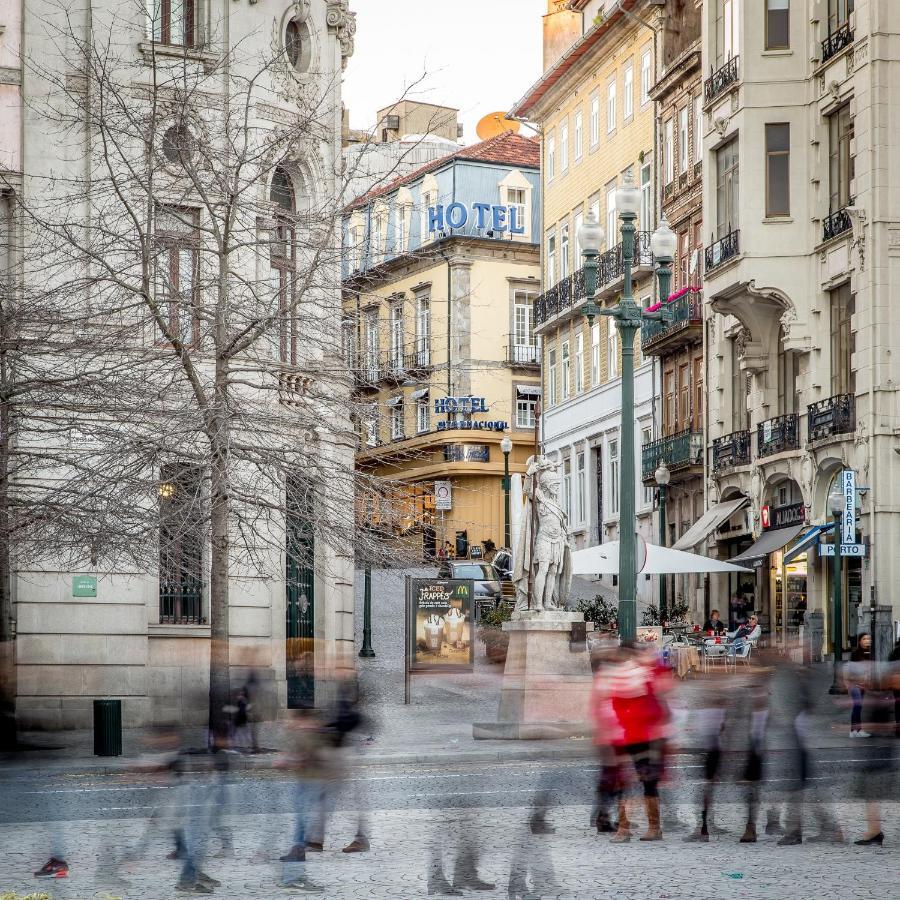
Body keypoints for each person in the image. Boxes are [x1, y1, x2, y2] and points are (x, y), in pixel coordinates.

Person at [591, 645, 673, 842]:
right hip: (632, 735)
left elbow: (657, 707)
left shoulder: (635, 676)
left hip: (638, 736)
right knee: (635, 781)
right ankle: (639, 827)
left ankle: (639, 828)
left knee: (639, 781)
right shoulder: (637, 676)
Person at [846, 634, 873, 738]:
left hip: (862, 684)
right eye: (864, 639)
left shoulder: (868, 652)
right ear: (859, 641)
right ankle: (853, 731)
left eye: (869, 638)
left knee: (858, 707)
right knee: (857, 707)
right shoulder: (856, 653)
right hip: (855, 684)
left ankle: (858, 730)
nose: (867, 640)